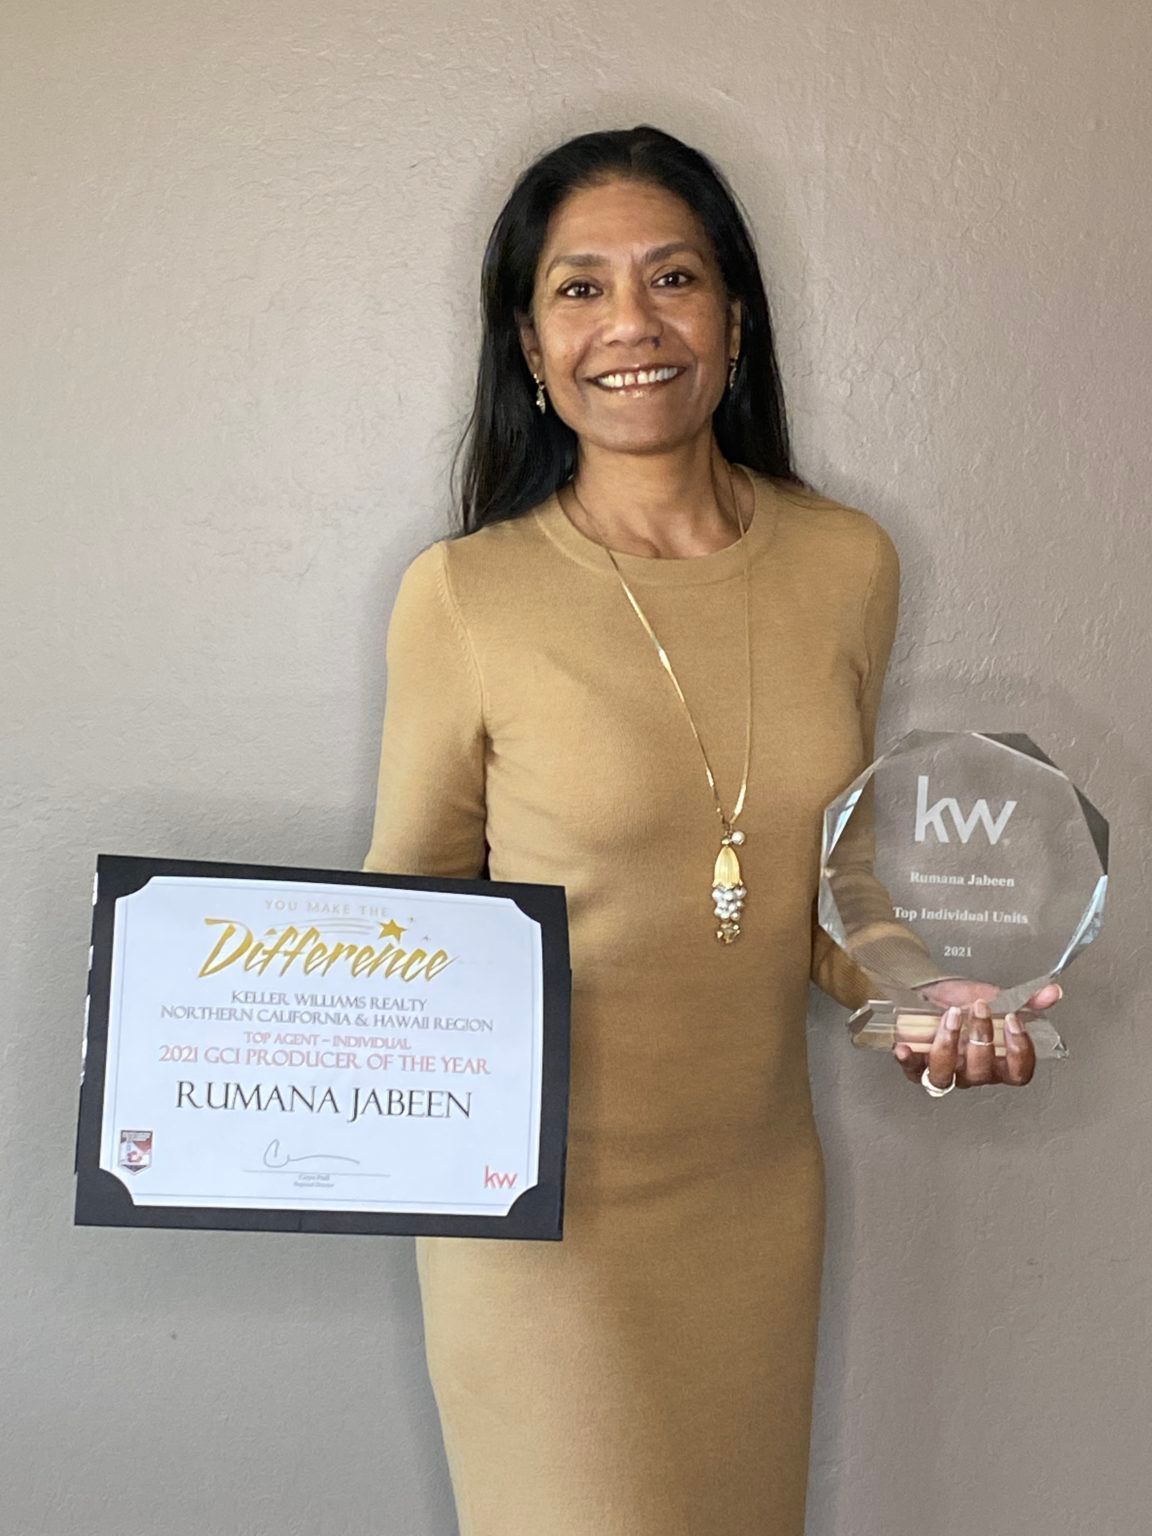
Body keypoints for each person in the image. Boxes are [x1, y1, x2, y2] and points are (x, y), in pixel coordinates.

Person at [361, 124, 1062, 1536]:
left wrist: (927, 1002)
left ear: (735, 321)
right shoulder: (466, 593)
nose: (631, 322)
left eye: (674, 277)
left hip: (753, 1200)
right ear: (530, 343)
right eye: (580, 288)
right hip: (535, 1217)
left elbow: (829, 894)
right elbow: (410, 913)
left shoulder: (848, 560)